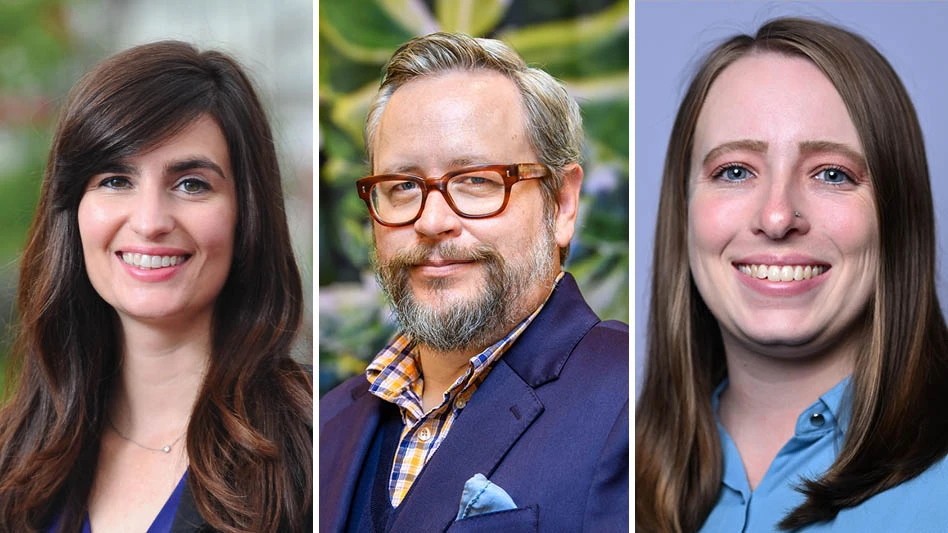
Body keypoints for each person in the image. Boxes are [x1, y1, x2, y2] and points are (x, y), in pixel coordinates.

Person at [635, 16, 948, 532]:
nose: (778, 217)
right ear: (683, 209)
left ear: (898, 214)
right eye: (734, 171)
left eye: (832, 174)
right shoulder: (621, 477)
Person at [319, 32, 629, 532]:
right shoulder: (327, 424)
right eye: (403, 187)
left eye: (478, 181)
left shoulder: (634, 395)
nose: (432, 221)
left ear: (562, 203)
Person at [0, 41, 313, 532]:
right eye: (114, 179)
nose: (149, 222)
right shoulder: (12, 457)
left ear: (246, 214)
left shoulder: (315, 450)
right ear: (72, 210)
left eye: (191, 184)